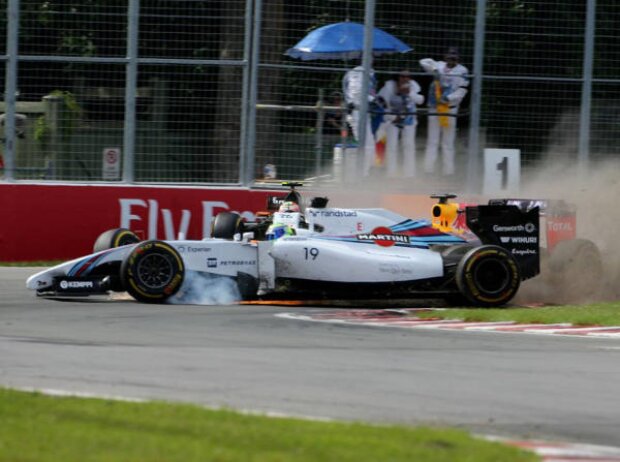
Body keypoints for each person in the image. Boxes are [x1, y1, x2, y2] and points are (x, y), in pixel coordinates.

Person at [420, 47, 469, 176]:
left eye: (454, 57)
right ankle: (428, 170)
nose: (451, 59)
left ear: (458, 58)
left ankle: (448, 172)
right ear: (445, 56)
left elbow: (462, 90)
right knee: (432, 140)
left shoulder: (462, 70)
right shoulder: (439, 65)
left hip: (449, 109)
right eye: (449, 56)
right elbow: (423, 61)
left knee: (448, 142)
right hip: (435, 108)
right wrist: (435, 70)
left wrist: (448, 98)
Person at [377, 71, 424, 178]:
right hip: (392, 120)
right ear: (397, 77)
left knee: (409, 146)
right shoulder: (388, 87)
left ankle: (409, 174)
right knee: (392, 146)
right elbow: (381, 103)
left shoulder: (413, 86)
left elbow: (421, 100)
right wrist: (392, 117)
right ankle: (391, 174)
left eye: (408, 76)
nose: (405, 78)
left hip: (409, 120)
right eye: (402, 76)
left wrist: (410, 93)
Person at [342, 65, 378, 176]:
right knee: (366, 144)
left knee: (370, 143)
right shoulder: (356, 74)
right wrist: (371, 99)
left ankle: (367, 172)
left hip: (363, 112)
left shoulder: (366, 72)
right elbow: (356, 94)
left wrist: (372, 100)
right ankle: (362, 174)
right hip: (357, 113)